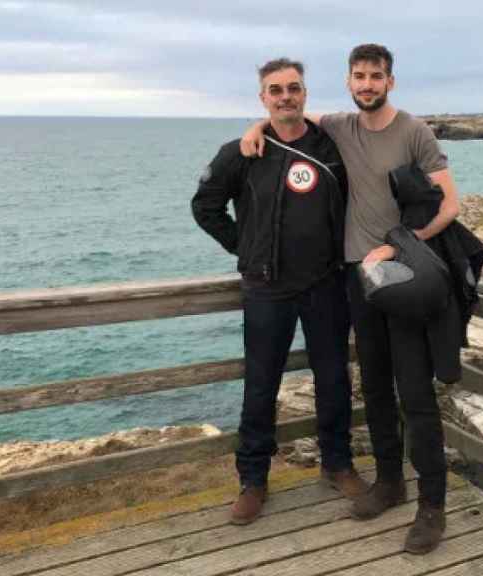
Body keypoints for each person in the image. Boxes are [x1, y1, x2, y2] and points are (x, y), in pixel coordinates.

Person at [241, 44, 461, 554]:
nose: (367, 84)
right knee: (376, 387)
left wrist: (401, 242)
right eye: (359, 76)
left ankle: (433, 505)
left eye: (376, 77)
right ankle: (389, 482)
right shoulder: (340, 126)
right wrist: (253, 129)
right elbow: (290, 112)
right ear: (348, 82)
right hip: (356, 281)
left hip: (402, 274)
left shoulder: (414, 131)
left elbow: (450, 204)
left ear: (391, 81)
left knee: (415, 391)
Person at [192, 57, 368, 526]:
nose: (285, 96)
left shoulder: (333, 148)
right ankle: (253, 480)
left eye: (293, 87)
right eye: (276, 90)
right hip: (266, 288)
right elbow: (205, 206)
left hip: (326, 285)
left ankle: (338, 465)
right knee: (260, 385)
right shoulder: (241, 152)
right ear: (263, 98)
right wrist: (244, 248)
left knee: (333, 380)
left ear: (305, 93)